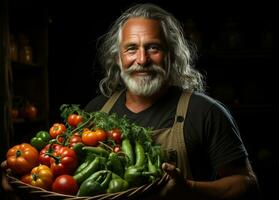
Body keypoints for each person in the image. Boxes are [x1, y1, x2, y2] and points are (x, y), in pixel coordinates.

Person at [84, 3, 261, 200]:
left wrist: (189, 188)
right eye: (131, 49)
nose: (142, 60)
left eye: (153, 47)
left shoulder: (204, 112)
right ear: (118, 58)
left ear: (172, 55)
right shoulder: (97, 110)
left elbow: (247, 184)